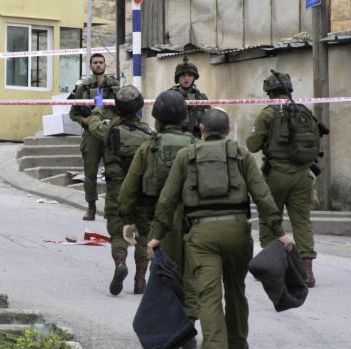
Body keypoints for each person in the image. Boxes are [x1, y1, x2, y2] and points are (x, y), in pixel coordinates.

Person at [147, 108, 293, 349]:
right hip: (237, 232)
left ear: (201, 130)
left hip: (201, 236)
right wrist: (280, 233)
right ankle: (237, 343)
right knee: (236, 291)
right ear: (228, 131)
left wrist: (156, 237)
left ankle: (215, 345)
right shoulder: (241, 154)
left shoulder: (186, 156)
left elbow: (167, 200)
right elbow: (263, 196)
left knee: (208, 295)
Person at [118, 90, 199, 311]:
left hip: (158, 220)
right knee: (190, 275)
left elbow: (128, 190)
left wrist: (128, 220)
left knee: (163, 275)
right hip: (194, 221)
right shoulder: (196, 145)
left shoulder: (148, 147)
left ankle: (170, 329)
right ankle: (188, 322)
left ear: (157, 118)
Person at [246, 72, 326, 288]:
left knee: (269, 218)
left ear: (269, 93)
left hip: (276, 176)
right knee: (302, 222)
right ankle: (307, 271)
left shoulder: (267, 114)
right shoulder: (303, 111)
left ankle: (273, 267)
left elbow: (252, 145)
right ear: (289, 90)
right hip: (302, 175)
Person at [86, 85, 154, 296]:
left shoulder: (109, 131)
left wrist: (98, 107)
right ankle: (140, 279)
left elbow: (93, 125)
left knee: (118, 231)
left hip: (117, 189)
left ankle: (120, 264)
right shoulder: (149, 135)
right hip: (142, 191)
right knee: (143, 233)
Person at [69, 53, 120, 221]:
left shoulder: (115, 86)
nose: (98, 65)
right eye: (95, 63)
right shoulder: (83, 87)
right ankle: (91, 207)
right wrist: (83, 119)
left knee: (113, 173)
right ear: (90, 66)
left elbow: (122, 108)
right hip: (91, 134)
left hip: (109, 132)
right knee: (90, 174)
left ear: (105, 65)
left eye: (101, 62)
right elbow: (73, 113)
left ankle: (111, 208)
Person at [169, 57, 210, 138]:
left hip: (195, 141)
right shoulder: (170, 96)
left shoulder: (201, 98)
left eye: (190, 75)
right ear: (178, 78)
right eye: (183, 75)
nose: (186, 78)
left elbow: (209, 121)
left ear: (194, 77)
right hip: (175, 139)